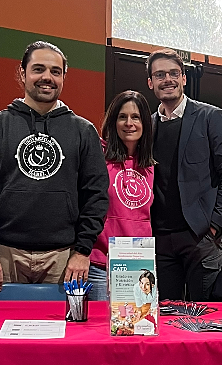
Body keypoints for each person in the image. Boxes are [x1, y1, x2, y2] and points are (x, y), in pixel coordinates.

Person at [0, 41, 109, 295]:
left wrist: (83, 251)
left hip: (64, 259)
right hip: (3, 257)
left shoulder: (83, 132)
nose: (47, 77)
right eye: (38, 69)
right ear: (22, 74)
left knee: (63, 333)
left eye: (55, 71)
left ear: (64, 76)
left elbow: (96, 196)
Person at [146, 49, 222, 301]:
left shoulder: (211, 117)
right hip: (158, 240)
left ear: (184, 78)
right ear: (150, 82)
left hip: (200, 238)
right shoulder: (148, 126)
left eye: (173, 73)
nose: (167, 79)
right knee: (166, 317)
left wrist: (214, 227)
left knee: (204, 319)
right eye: (159, 74)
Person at [88, 91, 156, 301]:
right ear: (113, 122)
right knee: (100, 331)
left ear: (145, 123)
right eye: (122, 117)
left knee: (136, 330)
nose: (129, 123)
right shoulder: (98, 158)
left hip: (139, 268)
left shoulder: (151, 166)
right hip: (101, 266)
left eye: (135, 117)